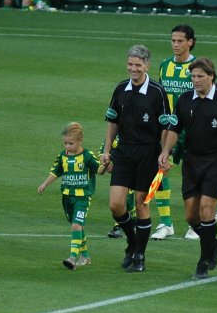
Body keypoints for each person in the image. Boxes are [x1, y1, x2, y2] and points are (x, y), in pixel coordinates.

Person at [159, 57, 217, 280]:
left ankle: (203, 261)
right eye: (193, 77)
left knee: (207, 210)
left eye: (200, 76)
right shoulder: (184, 100)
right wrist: (165, 152)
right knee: (191, 216)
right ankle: (214, 243)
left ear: (211, 76)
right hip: (191, 161)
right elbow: (173, 128)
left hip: (216, 160)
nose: (196, 80)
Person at [100, 45, 171, 273]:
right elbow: (113, 122)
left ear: (147, 65)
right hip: (124, 153)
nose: (133, 68)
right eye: (130, 64)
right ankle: (133, 241)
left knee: (141, 204)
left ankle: (139, 254)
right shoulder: (121, 89)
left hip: (149, 154)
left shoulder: (157, 92)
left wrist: (164, 153)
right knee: (116, 205)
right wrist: (107, 150)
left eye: (138, 65)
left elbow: (165, 126)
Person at [151, 24, 217, 241]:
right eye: (173, 40)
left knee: (199, 176)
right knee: (161, 171)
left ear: (190, 42)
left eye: (180, 41)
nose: (175, 45)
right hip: (171, 130)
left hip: (194, 131)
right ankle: (166, 223)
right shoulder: (165, 66)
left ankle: (201, 220)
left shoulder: (197, 68)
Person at [38, 122, 100, 270]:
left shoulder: (87, 156)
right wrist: (45, 184)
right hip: (67, 197)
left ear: (80, 140)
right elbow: (56, 171)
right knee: (77, 226)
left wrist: (108, 164)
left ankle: (72, 258)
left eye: (70, 143)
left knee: (76, 225)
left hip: (82, 197)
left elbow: (100, 169)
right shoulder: (62, 156)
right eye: (65, 143)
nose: (67, 146)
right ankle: (85, 256)